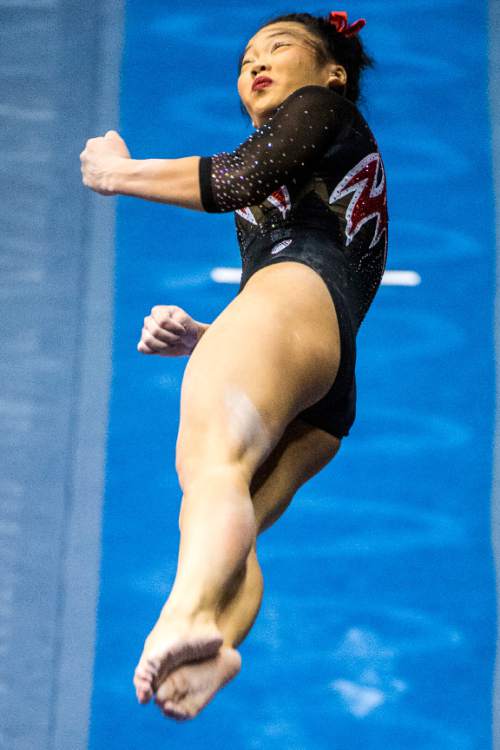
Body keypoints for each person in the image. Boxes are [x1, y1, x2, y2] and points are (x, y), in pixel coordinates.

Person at [80, 9, 389, 721]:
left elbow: (239, 178)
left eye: (279, 47)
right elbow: (295, 301)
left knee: (211, 473)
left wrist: (118, 174)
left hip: (299, 311)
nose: (256, 61)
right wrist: (210, 335)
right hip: (323, 373)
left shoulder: (321, 111)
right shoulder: (308, 150)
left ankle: (186, 614)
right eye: (246, 56)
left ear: (333, 72)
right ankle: (216, 637)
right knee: (227, 517)